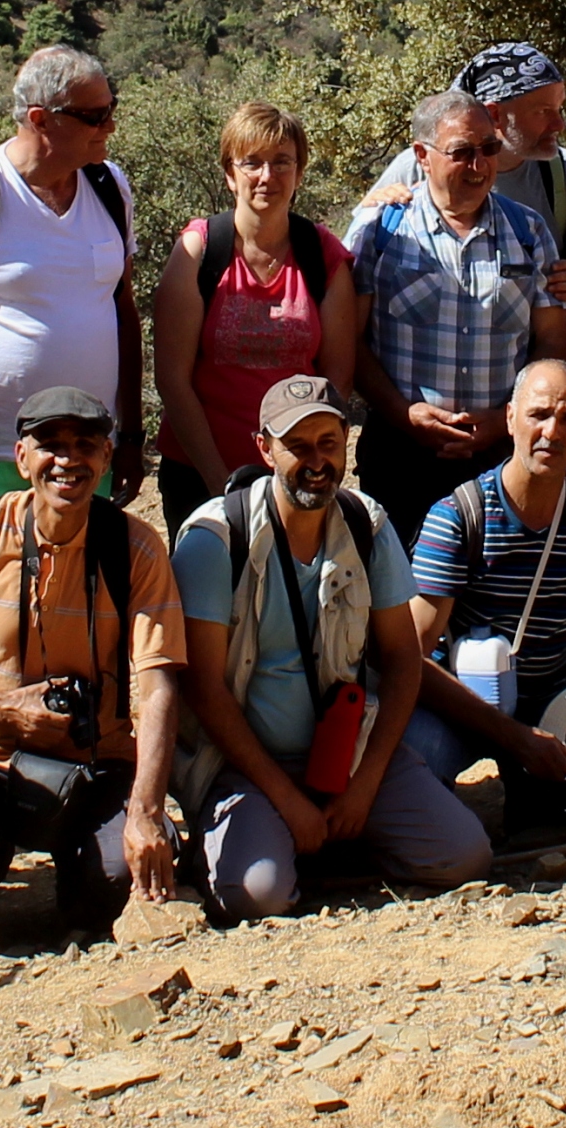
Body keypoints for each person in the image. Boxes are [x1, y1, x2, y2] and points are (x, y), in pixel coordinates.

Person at [165, 374, 491, 917]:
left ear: (346, 442)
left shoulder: (367, 523)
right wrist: (289, 802)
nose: (315, 462)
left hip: (348, 752)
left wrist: (364, 786)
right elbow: (203, 689)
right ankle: (270, 837)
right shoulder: (214, 539)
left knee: (464, 858)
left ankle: (326, 833)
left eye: (328, 444)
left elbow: (403, 660)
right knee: (257, 895)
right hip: (245, 765)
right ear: (264, 448)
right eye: (296, 447)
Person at [0, 388, 187, 945]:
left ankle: (82, 893)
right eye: (50, 444)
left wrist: (147, 810)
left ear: (106, 457)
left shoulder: (136, 549)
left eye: (85, 445)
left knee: (123, 875)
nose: (67, 460)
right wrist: (0, 707)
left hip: (94, 759)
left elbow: (157, 686)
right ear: (21, 457)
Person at [402, 357, 566, 829]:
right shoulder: (458, 518)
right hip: (458, 699)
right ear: (510, 418)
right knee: (418, 768)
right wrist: (514, 738)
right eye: (539, 414)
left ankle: (533, 795)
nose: (552, 432)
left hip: (550, 701)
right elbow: (410, 656)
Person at [348, 87, 566, 539]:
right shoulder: (379, 233)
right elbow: (348, 343)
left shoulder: (528, 232)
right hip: (401, 462)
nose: (479, 165)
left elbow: (551, 341)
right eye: (462, 152)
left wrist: (509, 418)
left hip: (501, 460)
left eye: (488, 148)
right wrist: (404, 414)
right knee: (403, 603)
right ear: (422, 156)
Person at [0, 47, 146, 508]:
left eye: (113, 108)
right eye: (95, 115)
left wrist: (129, 436)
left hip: (87, 456)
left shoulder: (110, 187)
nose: (110, 125)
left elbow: (123, 312)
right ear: (40, 118)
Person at [153, 103, 365, 528]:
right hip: (199, 476)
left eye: (282, 162)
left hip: (297, 479)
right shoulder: (199, 253)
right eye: (252, 163)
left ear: (299, 172)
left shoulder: (322, 257)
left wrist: (301, 473)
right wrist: (221, 486)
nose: (267, 176)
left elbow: (335, 382)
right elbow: (173, 381)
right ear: (230, 174)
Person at [359, 41, 566, 315]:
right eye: (542, 112)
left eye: (559, 107)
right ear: (494, 115)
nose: (559, 124)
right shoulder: (418, 166)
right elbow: (356, 270)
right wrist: (372, 208)